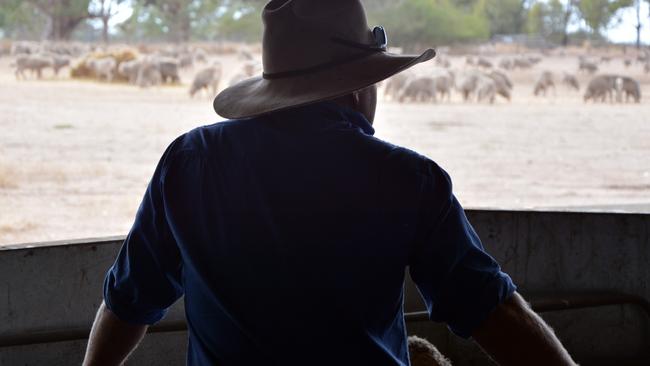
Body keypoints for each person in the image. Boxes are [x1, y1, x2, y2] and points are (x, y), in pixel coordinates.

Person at [83, 1, 578, 365]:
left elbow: (127, 304)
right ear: (362, 87)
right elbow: (496, 315)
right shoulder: (408, 180)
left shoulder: (189, 163)